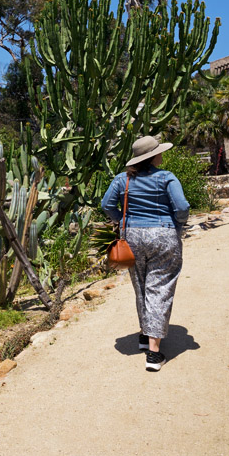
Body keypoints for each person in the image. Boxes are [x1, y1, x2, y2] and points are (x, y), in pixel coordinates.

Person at [100, 135, 189, 372]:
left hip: (133, 237)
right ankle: (154, 353)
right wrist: (178, 225)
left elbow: (106, 204)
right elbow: (182, 207)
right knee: (159, 288)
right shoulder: (166, 177)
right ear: (153, 156)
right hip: (163, 236)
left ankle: (144, 334)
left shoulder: (123, 179)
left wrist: (123, 222)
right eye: (159, 152)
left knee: (140, 286)